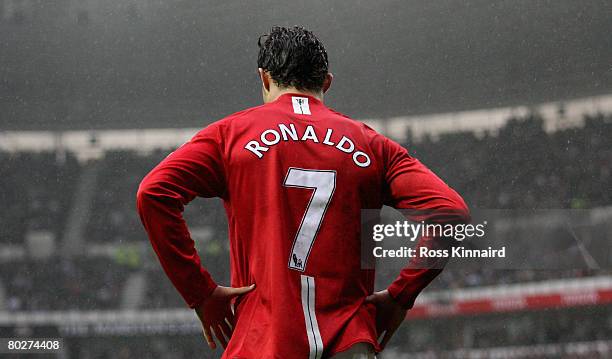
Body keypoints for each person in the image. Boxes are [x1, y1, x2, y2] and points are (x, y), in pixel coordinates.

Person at [137, 26, 469, 359]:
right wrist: (401, 296)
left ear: (264, 79)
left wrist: (201, 293)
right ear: (326, 82)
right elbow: (451, 212)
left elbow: (153, 194)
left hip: (263, 342)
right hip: (348, 341)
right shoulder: (372, 146)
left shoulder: (231, 136)